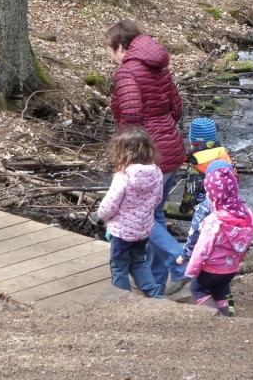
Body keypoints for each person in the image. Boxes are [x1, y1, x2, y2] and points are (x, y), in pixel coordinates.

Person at [106, 19, 189, 296]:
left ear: (120, 47)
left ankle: (180, 263)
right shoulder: (160, 66)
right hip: (172, 149)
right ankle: (154, 281)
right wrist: (163, 127)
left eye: (110, 50)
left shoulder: (127, 73)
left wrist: (129, 154)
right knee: (155, 214)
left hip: (147, 155)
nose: (110, 56)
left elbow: (130, 120)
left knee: (146, 219)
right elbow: (176, 108)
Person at [179, 161, 253, 316]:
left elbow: (202, 248)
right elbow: (246, 242)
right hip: (231, 267)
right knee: (223, 289)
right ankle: (231, 315)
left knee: (197, 288)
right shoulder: (247, 214)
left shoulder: (214, 221)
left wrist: (191, 270)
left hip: (211, 268)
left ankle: (216, 319)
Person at [96, 126, 164, 298]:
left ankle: (123, 299)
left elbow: (110, 205)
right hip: (143, 230)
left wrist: (101, 215)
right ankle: (155, 295)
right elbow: (157, 200)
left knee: (119, 266)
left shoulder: (123, 176)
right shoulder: (157, 173)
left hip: (122, 232)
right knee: (139, 262)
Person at [179, 117, 237, 314]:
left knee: (200, 284)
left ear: (194, 141)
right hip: (227, 212)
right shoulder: (224, 155)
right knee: (223, 284)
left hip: (207, 216)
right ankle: (230, 313)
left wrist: (186, 207)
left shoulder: (196, 162)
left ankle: (213, 318)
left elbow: (192, 191)